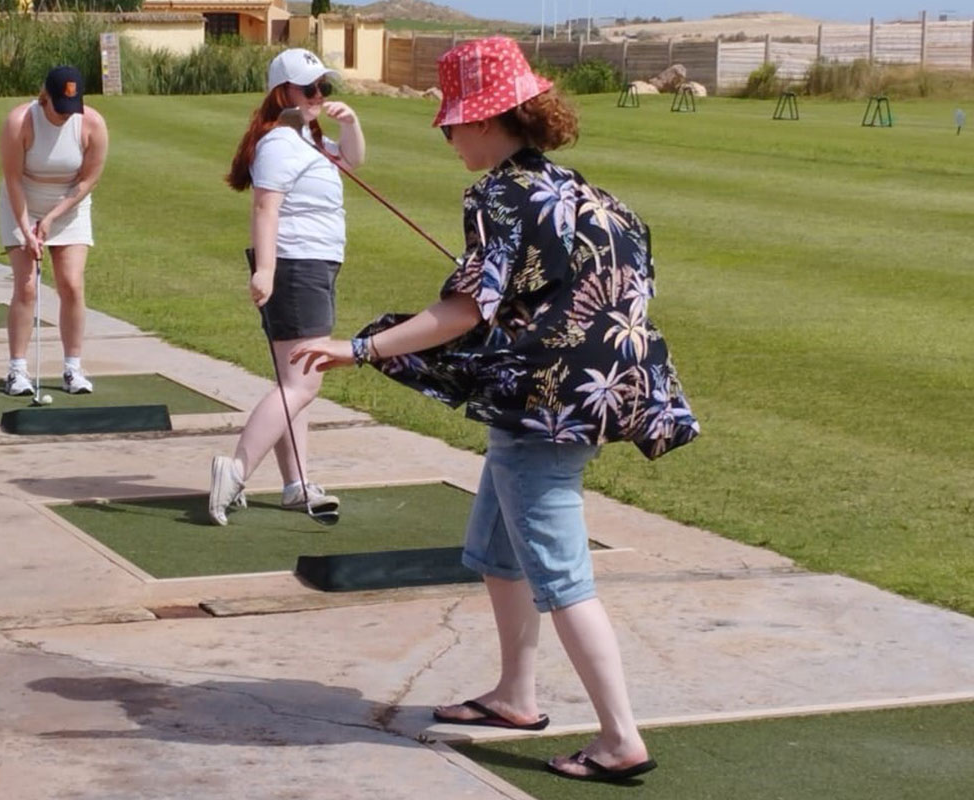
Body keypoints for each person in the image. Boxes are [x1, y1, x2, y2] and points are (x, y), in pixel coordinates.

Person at [290, 37, 699, 783]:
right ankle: (516, 694)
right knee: (498, 550)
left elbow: (462, 312)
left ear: (485, 120)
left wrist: (361, 348)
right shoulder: (589, 193)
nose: (446, 136)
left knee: (561, 574)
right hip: (594, 393)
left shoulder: (497, 195)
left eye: (451, 123)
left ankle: (618, 739)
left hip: (545, 406)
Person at [210, 48, 366, 526]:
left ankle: (297, 482)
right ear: (284, 93)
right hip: (297, 267)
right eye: (309, 88)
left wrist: (350, 123)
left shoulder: (308, 137)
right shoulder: (281, 142)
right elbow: (265, 208)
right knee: (304, 382)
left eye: (324, 87)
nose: (319, 95)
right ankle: (234, 471)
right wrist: (267, 271)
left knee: (292, 381)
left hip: (309, 266)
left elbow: (354, 162)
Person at [0, 65, 108, 396]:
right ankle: (16, 371)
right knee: (27, 286)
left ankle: (73, 369)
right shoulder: (20, 122)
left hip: (69, 207)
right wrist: (27, 230)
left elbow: (88, 180)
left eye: (70, 108)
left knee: (71, 284)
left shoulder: (92, 124)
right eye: (59, 108)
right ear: (45, 97)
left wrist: (51, 219)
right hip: (22, 204)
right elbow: (13, 180)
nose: (64, 116)